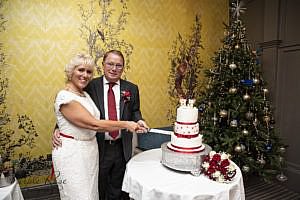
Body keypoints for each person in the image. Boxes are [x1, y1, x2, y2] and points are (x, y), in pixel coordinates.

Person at [53, 50, 149, 200]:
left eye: (119, 65)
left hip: (121, 146)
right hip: (98, 145)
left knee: (118, 188)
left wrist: (139, 120)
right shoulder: (90, 85)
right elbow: (72, 111)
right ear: (103, 65)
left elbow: (135, 110)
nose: (114, 68)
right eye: (110, 64)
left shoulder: (131, 88)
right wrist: (58, 128)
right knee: (96, 187)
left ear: (123, 68)